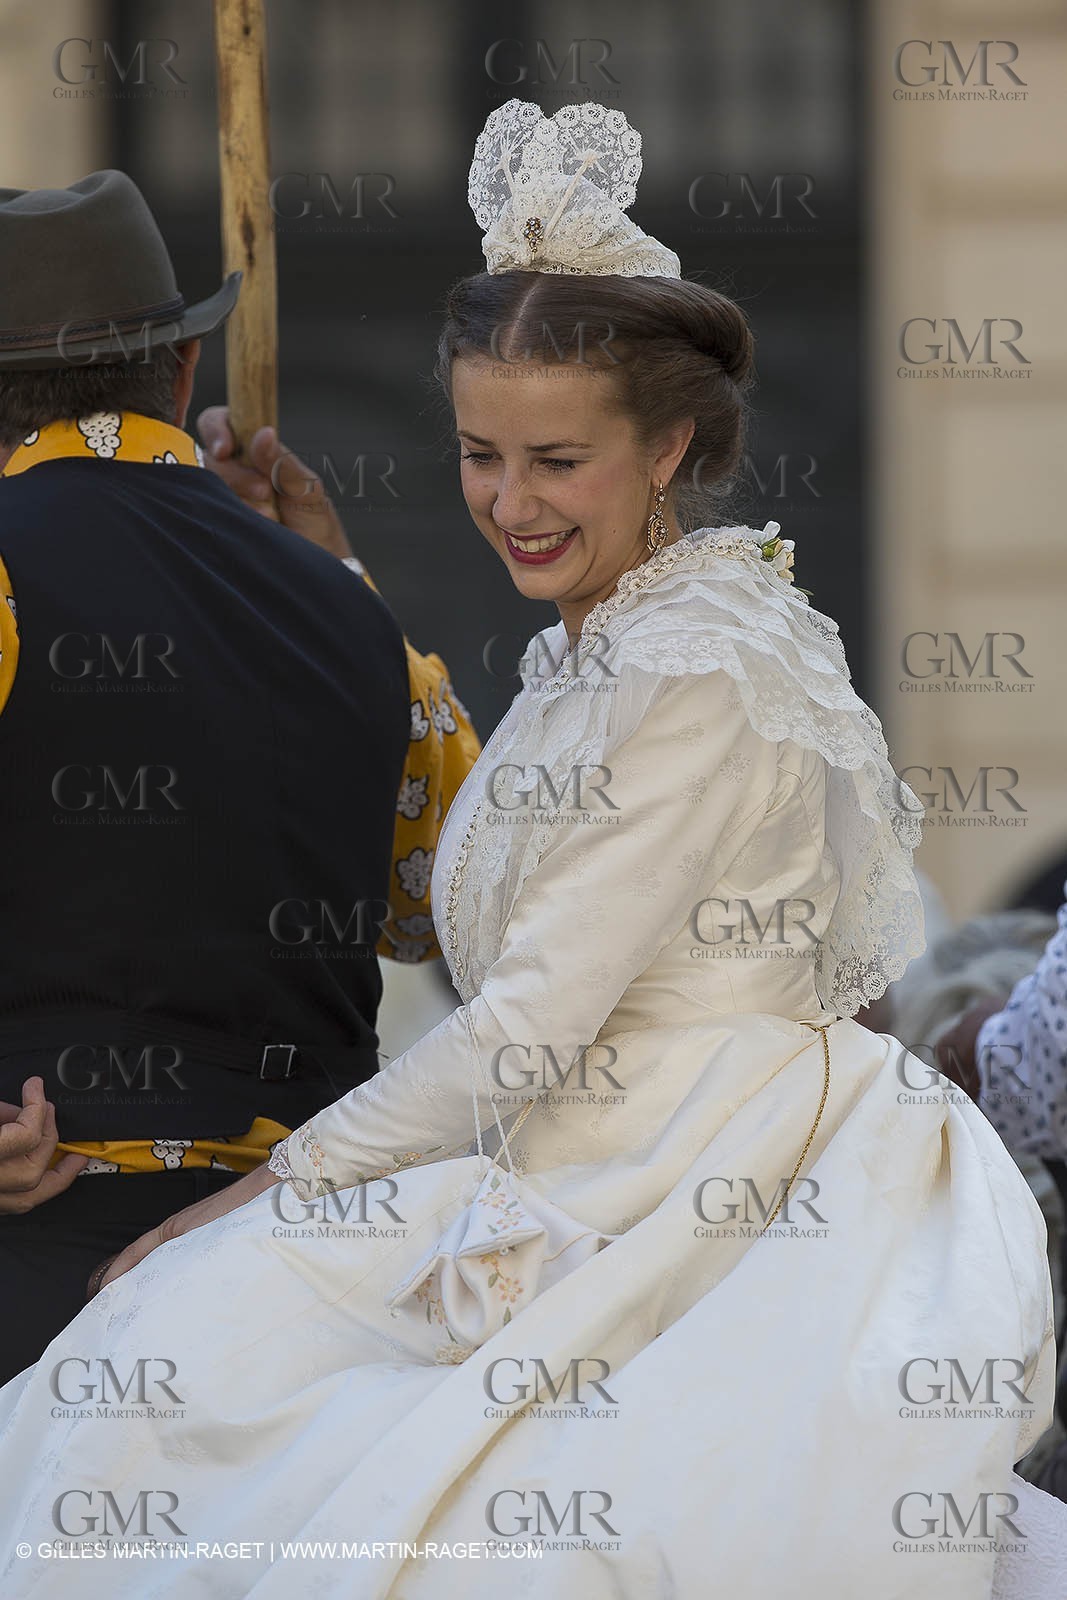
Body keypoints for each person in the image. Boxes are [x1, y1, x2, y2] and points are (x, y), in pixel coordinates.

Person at [1, 99, 1065, 1597]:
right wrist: (341, 589)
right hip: (560, 1155)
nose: (509, 505)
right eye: (475, 454)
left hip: (688, 1187)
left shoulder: (695, 661)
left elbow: (526, 1021)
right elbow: (463, 891)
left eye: (555, 459)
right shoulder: (598, 645)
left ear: (671, 444)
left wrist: (256, 1198)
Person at [0, 170, 479, 1380]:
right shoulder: (358, 616)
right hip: (313, 1290)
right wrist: (332, 575)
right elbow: (453, 900)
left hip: (42, 1275)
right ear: (181, 375)